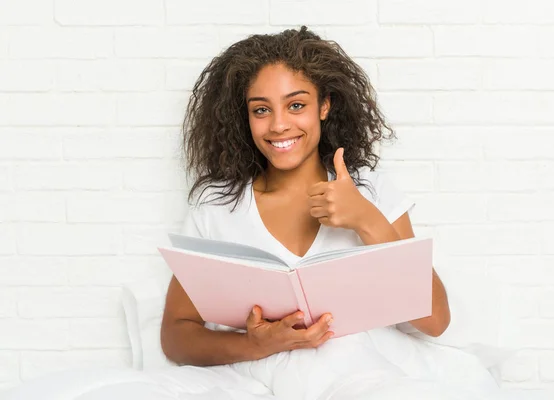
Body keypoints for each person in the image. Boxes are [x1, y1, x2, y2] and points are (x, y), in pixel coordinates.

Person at [160, 25, 454, 398]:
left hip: (363, 376)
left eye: (296, 105)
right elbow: (176, 336)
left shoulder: (370, 190)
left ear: (324, 106)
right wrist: (259, 345)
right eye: (261, 110)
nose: (279, 124)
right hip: (259, 380)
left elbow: (436, 321)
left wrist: (367, 220)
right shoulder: (217, 208)